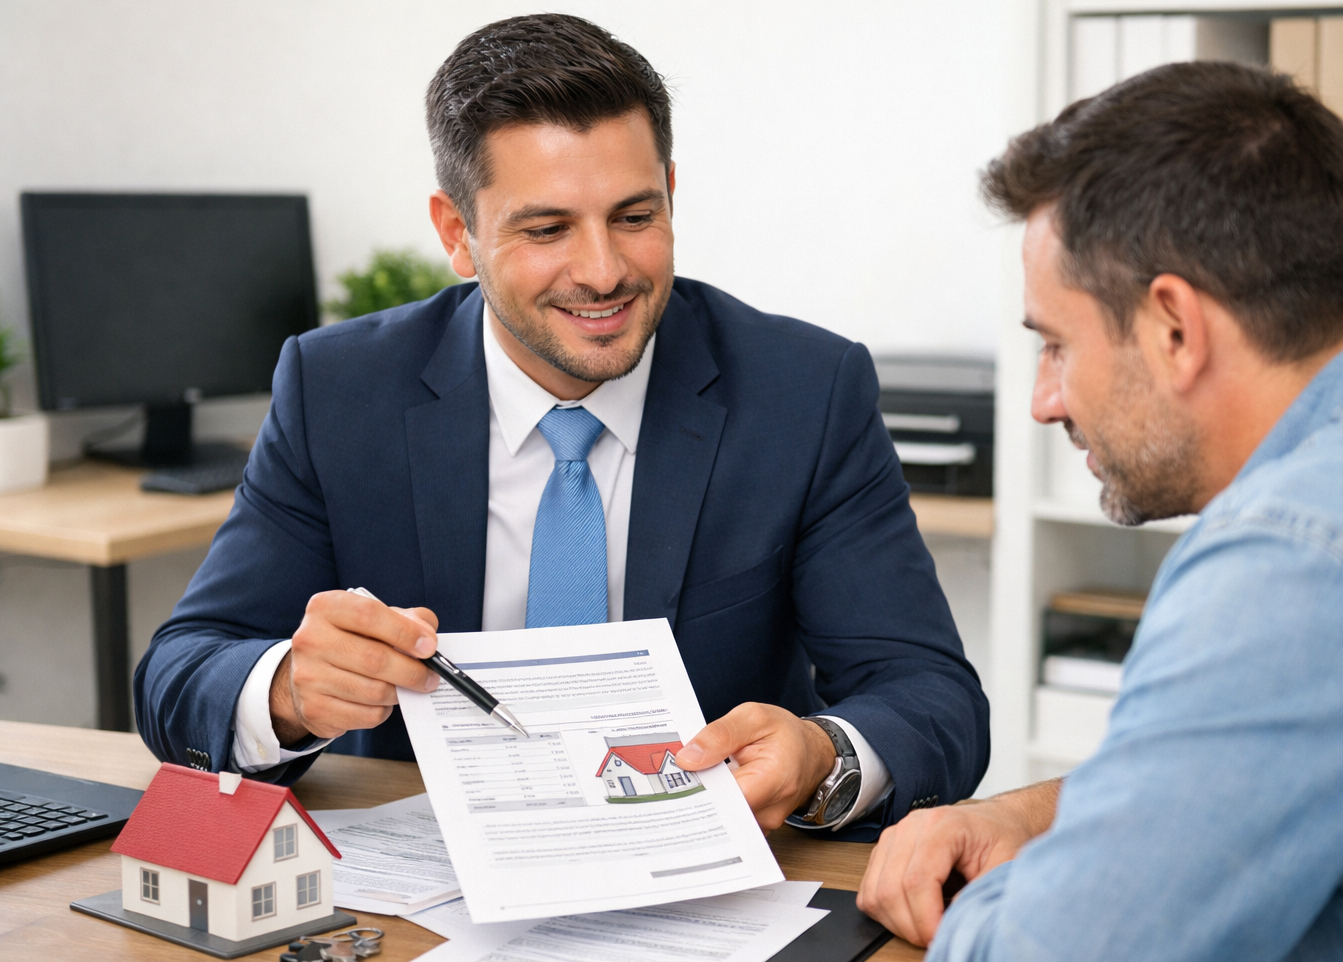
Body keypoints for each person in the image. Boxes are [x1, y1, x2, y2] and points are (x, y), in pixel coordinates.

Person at [134, 13, 989, 840]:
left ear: (672, 195)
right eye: (547, 228)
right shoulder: (339, 389)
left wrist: (824, 753)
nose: (604, 271)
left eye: (635, 216)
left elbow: (930, 697)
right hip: (421, 900)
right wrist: (285, 688)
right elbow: (179, 673)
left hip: (702, 886)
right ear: (457, 235)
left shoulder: (805, 392)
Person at [857, 61, 1343, 962]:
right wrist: (1037, 816)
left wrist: (1023, 894)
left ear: (1175, 326)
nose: (1047, 401)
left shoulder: (1301, 563)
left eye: (1057, 344)